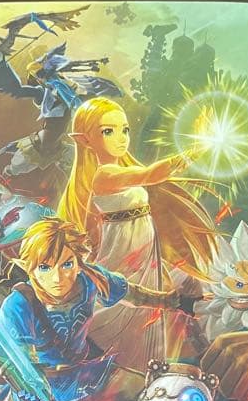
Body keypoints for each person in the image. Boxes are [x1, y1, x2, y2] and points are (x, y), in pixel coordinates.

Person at [0, 217, 198, 401]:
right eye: (45, 267)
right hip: (36, 388)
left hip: (84, 373)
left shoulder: (89, 279)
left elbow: (133, 295)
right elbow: (24, 364)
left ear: (79, 260)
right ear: (29, 268)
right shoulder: (18, 305)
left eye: (66, 264)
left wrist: (174, 301)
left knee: (152, 394)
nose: (57, 278)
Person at [57, 97, 218, 370]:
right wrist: (194, 150)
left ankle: (195, 349)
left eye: (125, 130)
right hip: (125, 254)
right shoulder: (103, 175)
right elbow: (151, 174)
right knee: (135, 315)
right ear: (85, 140)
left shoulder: (121, 168)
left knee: (182, 290)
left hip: (145, 250)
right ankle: (138, 367)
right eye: (108, 131)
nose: (121, 138)